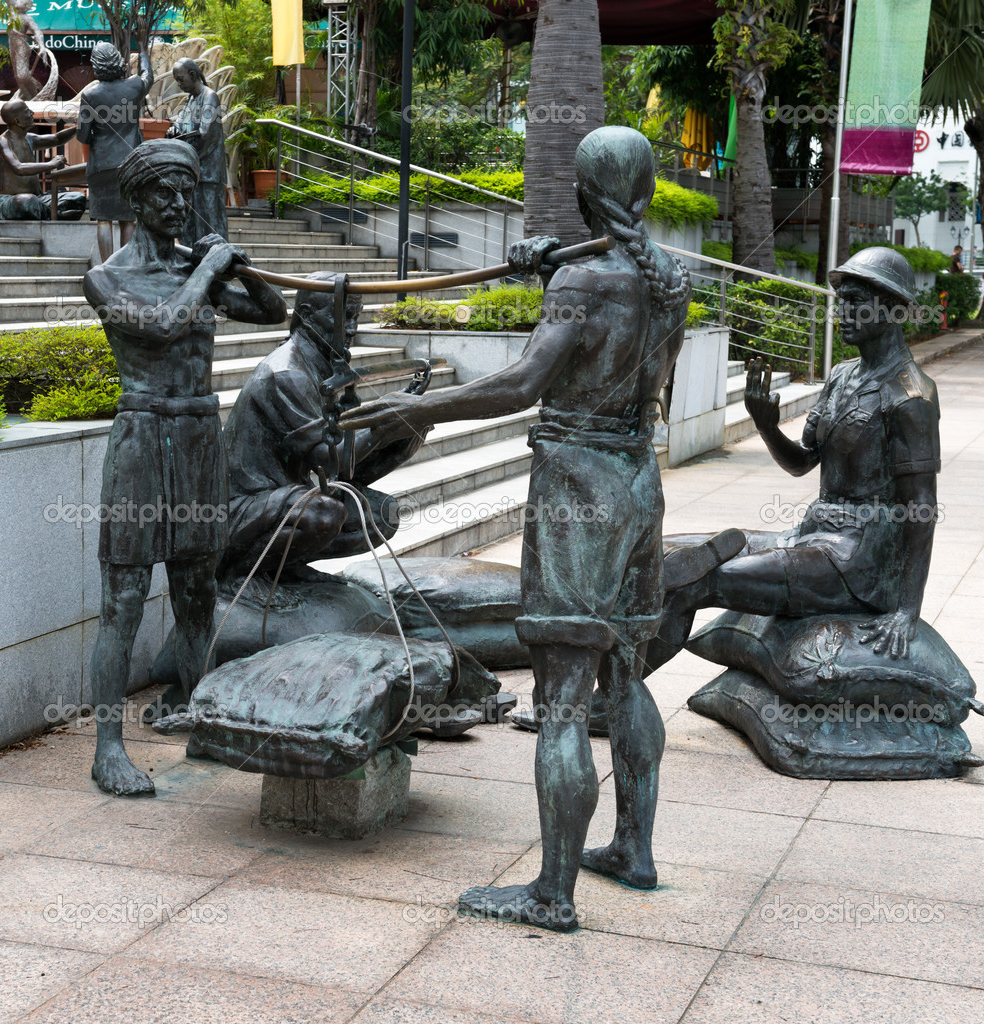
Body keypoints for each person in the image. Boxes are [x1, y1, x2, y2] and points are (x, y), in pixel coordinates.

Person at [340, 126, 744, 931]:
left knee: (561, 695)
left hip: (577, 488)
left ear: (585, 194)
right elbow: (607, 307)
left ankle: (552, 891)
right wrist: (552, 264)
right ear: (647, 192)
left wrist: (422, 405)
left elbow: (526, 381)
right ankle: (633, 849)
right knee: (626, 671)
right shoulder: (670, 278)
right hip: (637, 480)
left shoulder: (588, 281)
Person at [83, 139, 287, 796]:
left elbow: (272, 312)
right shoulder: (108, 278)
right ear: (138, 201)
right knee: (123, 599)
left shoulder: (197, 265)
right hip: (144, 436)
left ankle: (205, 718)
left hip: (200, 433)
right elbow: (165, 326)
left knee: (198, 592)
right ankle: (107, 749)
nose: (180, 205)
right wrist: (209, 270)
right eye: (165, 194)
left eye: (188, 193)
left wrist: (240, 270)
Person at [650, 247, 940, 666]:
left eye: (855, 302)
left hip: (859, 563)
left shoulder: (911, 395)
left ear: (893, 310)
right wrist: (766, 426)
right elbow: (803, 461)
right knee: (658, 555)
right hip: (811, 536)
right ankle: (599, 692)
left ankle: (610, 704)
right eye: (841, 302)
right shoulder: (842, 376)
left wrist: (906, 610)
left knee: (692, 581)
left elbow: (921, 508)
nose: (841, 313)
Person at [219, 270, 430, 581]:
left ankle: (284, 567)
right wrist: (385, 421)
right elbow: (332, 463)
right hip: (243, 507)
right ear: (306, 316)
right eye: (344, 317)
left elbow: (348, 476)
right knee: (324, 515)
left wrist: (407, 429)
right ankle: (237, 574)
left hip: (285, 497)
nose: (353, 328)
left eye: (356, 316)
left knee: (381, 514)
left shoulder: (320, 368)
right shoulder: (286, 373)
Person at [77, 35, 154, 262]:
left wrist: (95, 135)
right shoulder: (134, 87)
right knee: (127, 218)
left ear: (96, 66)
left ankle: (107, 268)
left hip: (101, 164)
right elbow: (148, 75)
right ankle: (125, 267)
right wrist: (141, 47)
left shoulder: (90, 95)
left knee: (103, 219)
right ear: (117, 62)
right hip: (130, 162)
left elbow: (82, 134)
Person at [165, 57, 228, 246]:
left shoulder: (209, 97)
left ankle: (217, 263)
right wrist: (174, 129)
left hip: (207, 173)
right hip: (192, 173)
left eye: (180, 79)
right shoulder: (190, 99)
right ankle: (190, 262)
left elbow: (205, 136)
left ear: (192, 75)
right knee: (189, 224)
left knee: (209, 223)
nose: (179, 84)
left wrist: (185, 155)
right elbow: (182, 124)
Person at [0, 99, 85, 221]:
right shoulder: (3, 141)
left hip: (38, 198)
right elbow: (19, 168)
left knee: (77, 197)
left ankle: (47, 212)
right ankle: (57, 215)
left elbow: (56, 138)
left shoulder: (29, 138)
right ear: (17, 121)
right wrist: (51, 164)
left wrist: (79, 128)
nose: (32, 113)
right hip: (10, 200)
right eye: (27, 112)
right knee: (25, 201)